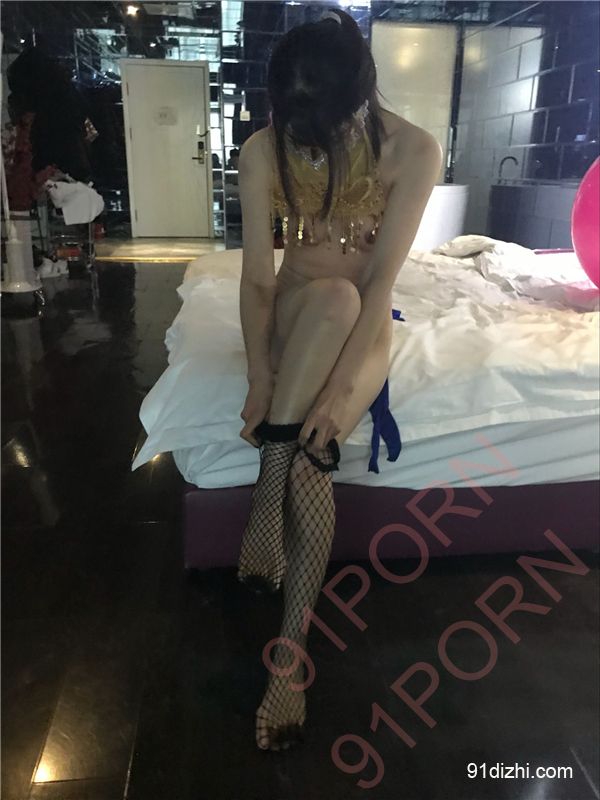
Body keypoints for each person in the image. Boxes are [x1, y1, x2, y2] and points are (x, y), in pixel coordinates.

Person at [236, 8, 442, 753]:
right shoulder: (262, 150)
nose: (304, 139)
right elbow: (258, 280)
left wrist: (340, 389)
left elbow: (381, 281)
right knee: (330, 296)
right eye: (292, 122)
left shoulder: (414, 150)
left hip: (367, 324)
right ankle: (275, 484)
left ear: (360, 93)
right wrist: (261, 377)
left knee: (313, 458)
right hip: (301, 311)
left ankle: (288, 659)